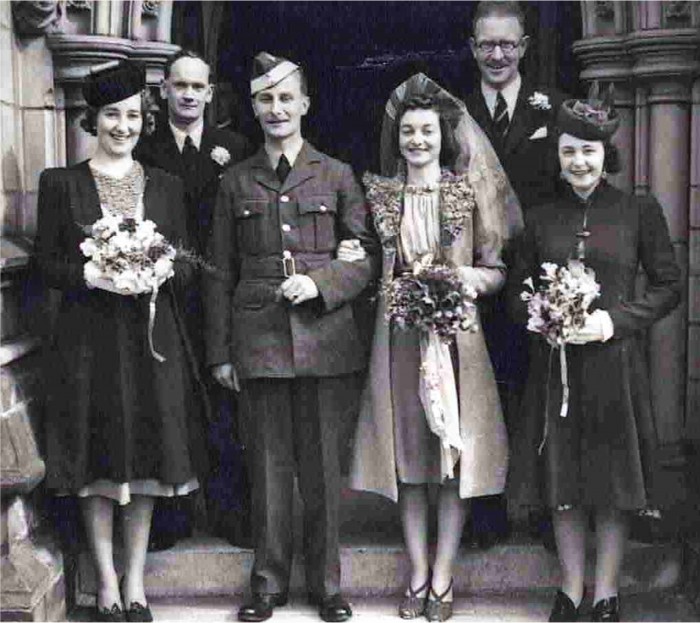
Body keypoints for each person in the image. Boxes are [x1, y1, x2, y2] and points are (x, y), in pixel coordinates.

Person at [205, 52, 377, 623]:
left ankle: (328, 586)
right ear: (253, 108)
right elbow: (218, 272)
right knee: (270, 470)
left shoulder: (337, 174)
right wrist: (220, 354)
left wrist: (322, 283)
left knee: (324, 472)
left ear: (306, 104)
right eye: (265, 100)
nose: (276, 109)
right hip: (258, 342)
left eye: (286, 98)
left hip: (326, 340)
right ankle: (268, 583)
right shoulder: (235, 181)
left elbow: (367, 257)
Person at [33, 60, 207, 622]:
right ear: (93, 119)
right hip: (89, 344)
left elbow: (187, 266)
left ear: (145, 119)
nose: (123, 126)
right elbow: (45, 263)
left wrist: (158, 268)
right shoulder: (60, 184)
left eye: (133, 115)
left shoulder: (166, 186)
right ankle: (105, 582)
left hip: (152, 343)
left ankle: (136, 582)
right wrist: (92, 274)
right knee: (98, 463)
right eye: (112, 115)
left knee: (150, 462)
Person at [349, 73, 520, 622]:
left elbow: (496, 271)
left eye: (426, 131)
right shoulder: (379, 194)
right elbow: (365, 263)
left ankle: (444, 577)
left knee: (452, 462)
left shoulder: (466, 194)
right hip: (398, 337)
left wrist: (464, 278)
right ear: (396, 138)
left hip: (455, 339)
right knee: (410, 462)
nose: (417, 140)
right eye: (407, 132)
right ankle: (417, 572)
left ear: (443, 137)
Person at [507, 85, 681, 622]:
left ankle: (606, 594)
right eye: (568, 151)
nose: (578, 161)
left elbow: (667, 285)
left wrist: (613, 320)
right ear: (557, 157)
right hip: (555, 371)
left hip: (613, 368)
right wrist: (539, 316)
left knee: (610, 486)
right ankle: (571, 589)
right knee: (562, 485)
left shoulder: (637, 211)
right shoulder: (538, 219)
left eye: (588, 150)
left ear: (606, 155)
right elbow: (516, 293)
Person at [135, 49, 253, 550]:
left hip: (223, 289)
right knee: (171, 401)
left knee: (227, 402)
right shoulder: (142, 147)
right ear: (164, 91)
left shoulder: (236, 146)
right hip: (166, 291)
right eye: (177, 85)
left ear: (210, 93)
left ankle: (232, 512)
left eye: (196, 86)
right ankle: (171, 515)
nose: (187, 94)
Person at [464, 0, 566, 548]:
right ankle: (485, 514)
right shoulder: (452, 114)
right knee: (480, 393)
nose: (497, 54)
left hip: (539, 281)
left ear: (524, 46)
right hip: (475, 279)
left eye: (508, 43)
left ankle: (549, 510)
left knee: (542, 392)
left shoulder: (553, 110)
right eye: (487, 44)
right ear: (472, 47)